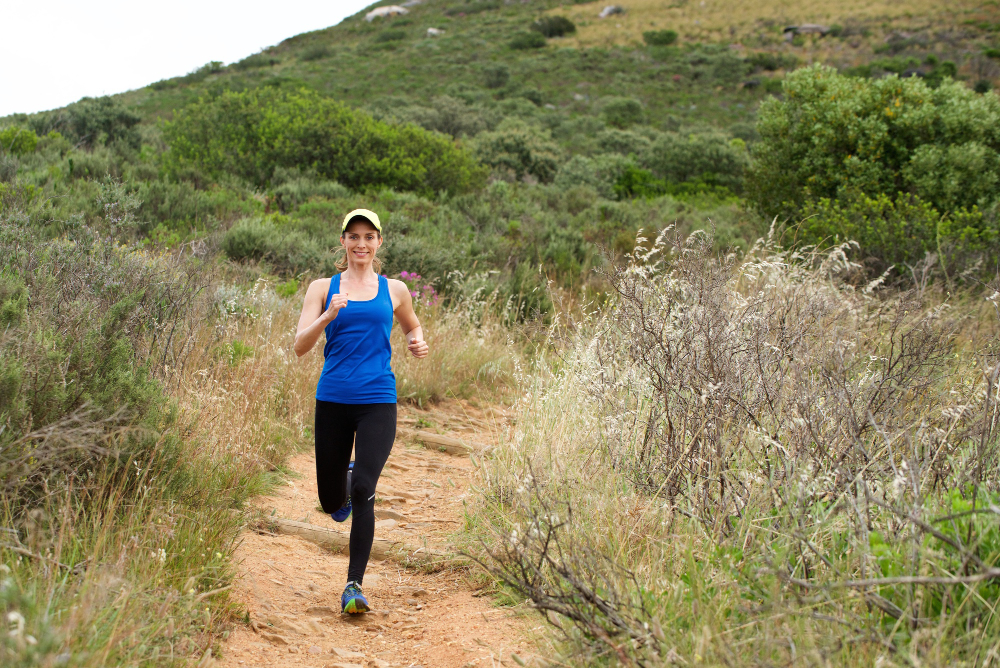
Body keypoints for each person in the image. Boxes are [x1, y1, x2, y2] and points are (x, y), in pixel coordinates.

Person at [293, 208, 429, 614]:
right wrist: (329, 315)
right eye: (353, 237)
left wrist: (417, 341)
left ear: (379, 243)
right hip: (332, 399)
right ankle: (344, 482)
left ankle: (354, 585)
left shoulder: (395, 290)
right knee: (332, 501)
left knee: (364, 489)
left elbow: (411, 325)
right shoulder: (322, 287)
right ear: (343, 242)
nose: (361, 244)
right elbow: (300, 345)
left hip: (377, 400)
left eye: (369, 236)